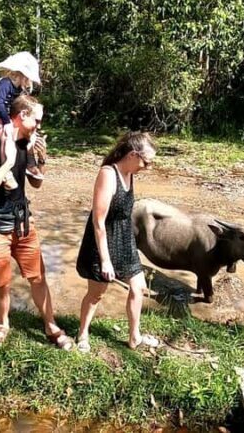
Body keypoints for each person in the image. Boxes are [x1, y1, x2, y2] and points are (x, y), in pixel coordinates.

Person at [0, 94, 73, 351]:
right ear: (22, 115)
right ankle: (3, 324)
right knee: (2, 281)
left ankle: (50, 325)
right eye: (36, 120)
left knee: (38, 276)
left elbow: (36, 183)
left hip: (23, 223)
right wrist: (8, 163)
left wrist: (41, 158)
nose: (39, 126)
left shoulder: (26, 143)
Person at [75, 131, 158, 353]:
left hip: (124, 237)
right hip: (101, 240)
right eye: (146, 162)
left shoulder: (130, 173)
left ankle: (134, 337)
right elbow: (98, 222)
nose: (147, 167)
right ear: (132, 154)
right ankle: (82, 333)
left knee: (138, 288)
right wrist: (105, 261)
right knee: (96, 294)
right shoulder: (107, 174)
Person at [0, 51, 43, 192]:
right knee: (6, 137)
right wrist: (6, 121)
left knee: (26, 135)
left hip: (5, 116)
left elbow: (19, 104)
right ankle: (6, 171)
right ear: (21, 74)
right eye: (28, 78)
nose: (29, 82)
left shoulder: (18, 88)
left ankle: (30, 165)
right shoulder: (5, 84)